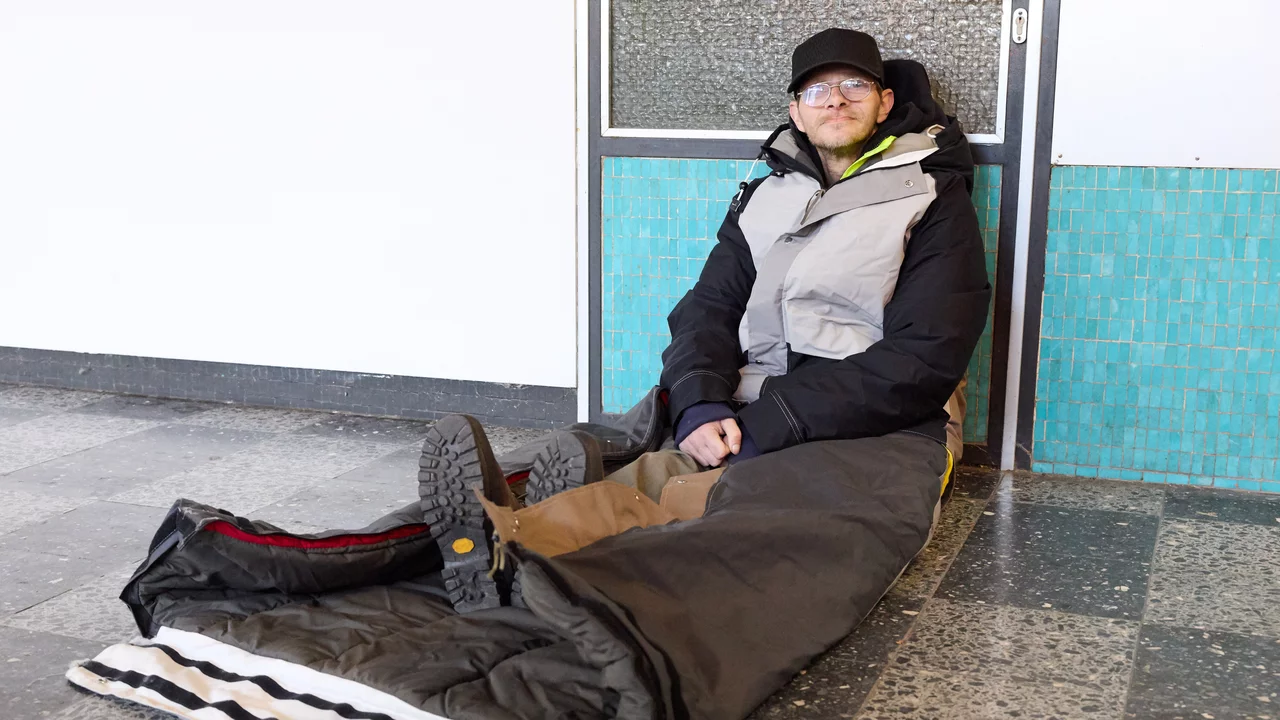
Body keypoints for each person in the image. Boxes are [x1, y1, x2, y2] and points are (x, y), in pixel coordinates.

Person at [419, 27, 991, 615]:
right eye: (817, 91)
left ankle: (532, 549)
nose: (837, 101)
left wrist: (778, 419)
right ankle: (513, 536)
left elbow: (927, 355)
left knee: (749, 507)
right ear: (797, 111)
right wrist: (699, 402)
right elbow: (709, 307)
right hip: (753, 396)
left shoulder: (932, 196)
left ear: (885, 101)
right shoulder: (767, 194)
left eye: (854, 86)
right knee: (664, 468)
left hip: (876, 417)